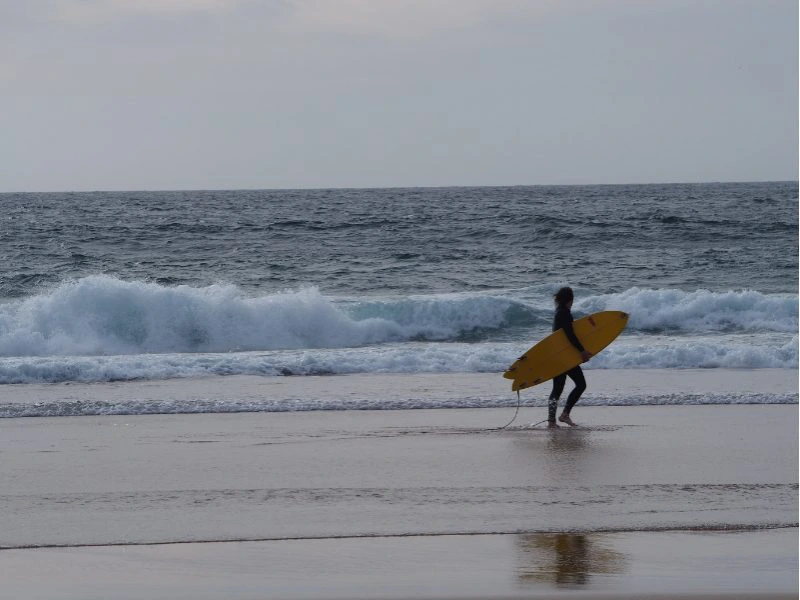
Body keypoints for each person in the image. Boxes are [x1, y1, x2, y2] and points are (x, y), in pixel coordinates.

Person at [548, 287, 592, 427]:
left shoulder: (558, 313)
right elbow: (569, 334)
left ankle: (551, 421)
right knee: (581, 384)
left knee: (557, 389)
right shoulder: (565, 313)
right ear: (570, 299)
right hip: (565, 358)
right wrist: (582, 351)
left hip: (557, 356)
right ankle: (565, 414)